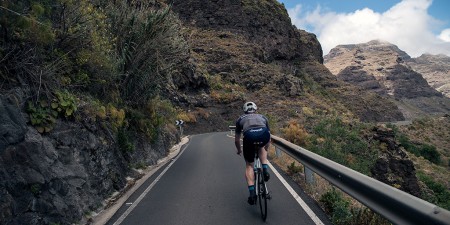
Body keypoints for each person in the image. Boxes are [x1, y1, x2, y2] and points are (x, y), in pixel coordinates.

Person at [234, 101, 271, 205]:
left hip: (249, 137)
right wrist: (266, 147)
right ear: (255, 109)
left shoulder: (240, 119)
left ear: (245, 110)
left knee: (249, 165)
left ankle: (252, 194)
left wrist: (239, 150)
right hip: (263, 134)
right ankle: (265, 169)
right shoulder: (263, 117)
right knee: (262, 147)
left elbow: (237, 140)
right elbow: (269, 137)